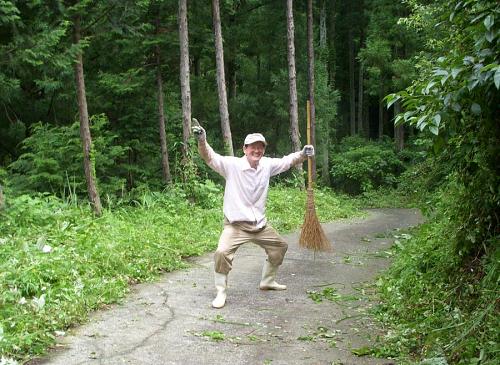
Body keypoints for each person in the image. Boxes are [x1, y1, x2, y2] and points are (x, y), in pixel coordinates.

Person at [192, 122, 314, 308]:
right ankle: (221, 291)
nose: (257, 150)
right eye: (253, 147)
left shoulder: (267, 165)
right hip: (236, 226)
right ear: (245, 149)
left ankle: (267, 281)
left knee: (280, 247)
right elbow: (209, 157)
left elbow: (287, 161)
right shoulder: (232, 165)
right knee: (222, 253)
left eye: (260, 147)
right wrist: (202, 140)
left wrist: (303, 154)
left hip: (260, 225)